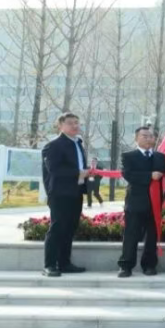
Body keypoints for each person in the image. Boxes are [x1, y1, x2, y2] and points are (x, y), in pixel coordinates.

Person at [40, 111, 91, 277]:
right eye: (70, 123)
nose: (75, 126)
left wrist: (87, 172)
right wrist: (79, 173)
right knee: (57, 228)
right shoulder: (53, 145)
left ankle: (64, 263)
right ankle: (49, 265)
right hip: (60, 193)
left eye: (76, 123)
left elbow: (78, 166)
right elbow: (54, 169)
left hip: (76, 192)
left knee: (70, 228)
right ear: (60, 125)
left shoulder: (78, 143)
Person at [118, 126, 165, 277]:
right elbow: (128, 174)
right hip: (135, 202)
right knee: (131, 235)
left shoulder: (160, 157)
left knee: (152, 236)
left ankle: (149, 265)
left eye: (151, 136)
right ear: (136, 138)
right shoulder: (128, 156)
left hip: (154, 203)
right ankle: (126, 266)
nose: (149, 139)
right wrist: (150, 175)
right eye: (145, 136)